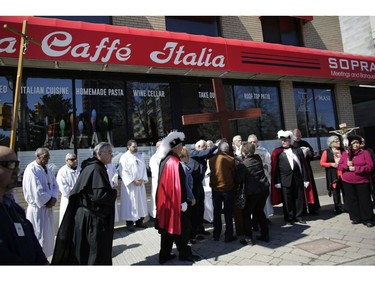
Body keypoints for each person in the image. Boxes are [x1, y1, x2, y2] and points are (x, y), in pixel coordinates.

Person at [52, 142, 118, 265]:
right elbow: (99, 195)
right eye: (109, 152)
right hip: (91, 220)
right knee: (94, 253)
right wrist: (114, 193)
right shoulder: (96, 168)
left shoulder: (94, 166)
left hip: (87, 218)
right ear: (99, 153)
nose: (112, 155)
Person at [155, 131, 201, 264]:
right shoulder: (174, 162)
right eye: (181, 145)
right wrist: (182, 202)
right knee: (183, 229)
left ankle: (164, 255)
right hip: (176, 203)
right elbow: (179, 184)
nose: (182, 147)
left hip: (166, 202)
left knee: (167, 230)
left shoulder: (165, 160)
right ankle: (184, 254)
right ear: (175, 147)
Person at [0, 146, 49, 265]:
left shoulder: (16, 211)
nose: (17, 170)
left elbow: (36, 250)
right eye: (11, 164)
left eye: (17, 164)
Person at [270, 130, 313, 225]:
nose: (283, 142)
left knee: (299, 198)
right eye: (282, 140)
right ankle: (289, 218)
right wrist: (277, 181)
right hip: (284, 180)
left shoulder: (297, 150)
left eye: (285, 140)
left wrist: (305, 179)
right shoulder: (277, 152)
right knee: (287, 200)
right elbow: (275, 168)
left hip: (297, 179)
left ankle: (299, 216)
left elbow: (303, 165)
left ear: (290, 140)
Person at [22, 147, 59, 258]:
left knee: (47, 236)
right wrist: (48, 200)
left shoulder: (46, 169)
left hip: (48, 207)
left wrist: (53, 198)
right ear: (38, 156)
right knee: (38, 234)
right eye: (46, 156)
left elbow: (54, 185)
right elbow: (35, 189)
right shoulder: (31, 169)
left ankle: (46, 257)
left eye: (48, 156)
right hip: (37, 209)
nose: (48, 158)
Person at [236, 142, 270, 245]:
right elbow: (249, 161)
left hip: (252, 192)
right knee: (260, 212)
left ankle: (248, 238)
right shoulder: (258, 158)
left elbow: (238, 179)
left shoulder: (243, 164)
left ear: (244, 152)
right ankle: (265, 235)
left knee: (246, 214)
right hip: (263, 189)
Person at [337, 135, 374, 227]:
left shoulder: (365, 153)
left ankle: (367, 219)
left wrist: (356, 168)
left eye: (357, 143)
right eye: (353, 143)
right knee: (352, 200)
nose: (356, 145)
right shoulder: (345, 154)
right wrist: (346, 164)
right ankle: (356, 217)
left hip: (362, 181)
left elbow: (370, 167)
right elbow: (339, 166)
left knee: (364, 200)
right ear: (350, 144)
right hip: (347, 181)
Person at [188, 139, 217, 240]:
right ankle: (193, 233)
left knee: (201, 207)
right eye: (204, 147)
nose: (205, 150)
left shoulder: (201, 154)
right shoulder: (192, 152)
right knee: (194, 209)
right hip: (192, 185)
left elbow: (209, 154)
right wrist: (215, 145)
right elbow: (206, 153)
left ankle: (199, 228)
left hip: (198, 184)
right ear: (199, 147)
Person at [208, 141, 237, 243]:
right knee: (228, 213)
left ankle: (216, 234)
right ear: (227, 150)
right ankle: (228, 236)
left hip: (216, 189)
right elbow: (234, 174)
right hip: (227, 189)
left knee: (217, 212)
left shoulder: (211, 160)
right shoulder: (230, 160)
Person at [118, 139, 148, 231]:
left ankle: (139, 221)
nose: (135, 148)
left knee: (140, 203)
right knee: (130, 204)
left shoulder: (139, 156)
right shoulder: (124, 157)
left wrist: (142, 179)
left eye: (136, 146)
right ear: (128, 147)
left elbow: (144, 168)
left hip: (140, 184)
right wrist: (133, 180)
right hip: (130, 186)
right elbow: (123, 171)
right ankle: (130, 223)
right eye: (133, 146)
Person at [292, 128, 320, 215]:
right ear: (293, 136)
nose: (298, 137)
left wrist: (310, 154)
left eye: (299, 135)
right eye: (296, 136)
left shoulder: (305, 143)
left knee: (310, 188)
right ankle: (302, 209)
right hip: (297, 170)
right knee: (299, 190)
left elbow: (312, 154)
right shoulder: (292, 145)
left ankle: (312, 208)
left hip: (307, 168)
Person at [247, 134, 273, 221]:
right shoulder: (246, 152)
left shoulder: (264, 151)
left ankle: (266, 217)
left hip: (263, 178)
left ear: (257, 142)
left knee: (264, 200)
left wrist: (266, 166)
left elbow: (269, 163)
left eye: (254, 142)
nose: (252, 143)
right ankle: (255, 219)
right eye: (250, 142)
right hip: (252, 180)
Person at [320, 135, 345, 214]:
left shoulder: (342, 150)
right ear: (331, 143)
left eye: (338, 141)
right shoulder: (326, 151)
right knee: (336, 191)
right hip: (333, 175)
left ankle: (348, 207)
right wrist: (331, 164)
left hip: (344, 174)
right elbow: (322, 163)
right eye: (336, 141)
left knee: (346, 191)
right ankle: (338, 208)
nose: (338, 142)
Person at [56, 153, 80, 226]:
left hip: (80, 200)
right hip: (68, 199)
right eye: (72, 159)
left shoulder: (80, 169)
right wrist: (76, 190)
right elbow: (63, 188)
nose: (75, 161)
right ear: (67, 161)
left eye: (75, 159)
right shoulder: (62, 172)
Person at [179, 146, 196, 243]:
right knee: (187, 220)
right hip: (186, 198)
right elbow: (186, 185)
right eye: (187, 156)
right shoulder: (184, 168)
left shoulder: (180, 166)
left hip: (183, 197)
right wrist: (192, 197)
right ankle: (187, 239)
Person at [149, 140, 162, 221]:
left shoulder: (163, 156)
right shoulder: (154, 157)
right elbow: (155, 170)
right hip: (158, 180)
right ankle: (156, 215)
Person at [360, 137, 375, 206]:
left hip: (371, 174)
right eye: (361, 142)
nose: (362, 143)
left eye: (363, 142)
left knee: (373, 189)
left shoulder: (369, 150)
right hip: (361, 175)